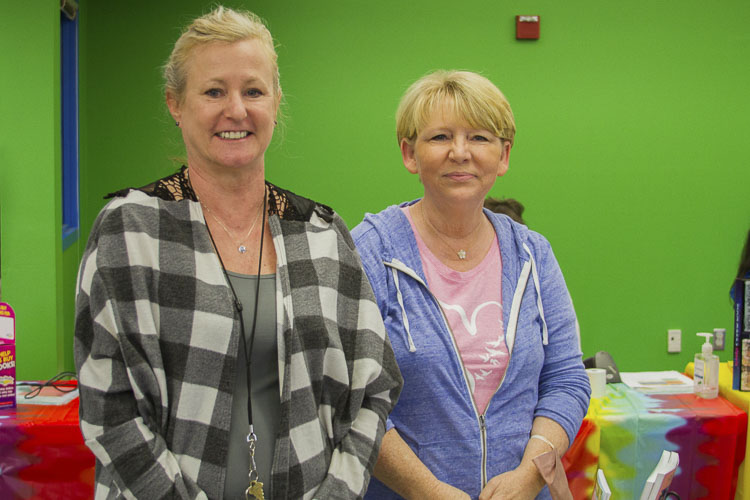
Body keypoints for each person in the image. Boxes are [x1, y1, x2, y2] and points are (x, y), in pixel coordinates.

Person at [74, 7, 401, 499]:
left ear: (275, 101)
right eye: (213, 91)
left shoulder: (321, 233)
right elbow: (110, 408)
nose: (236, 110)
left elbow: (373, 388)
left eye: (253, 91)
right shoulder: (131, 228)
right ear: (175, 104)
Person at [352, 70, 590, 499]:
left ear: (504, 156)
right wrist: (429, 491)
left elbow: (566, 379)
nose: (460, 153)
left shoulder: (533, 254)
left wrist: (529, 477)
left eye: (479, 138)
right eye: (440, 137)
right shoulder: (371, 251)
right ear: (410, 153)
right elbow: (350, 396)